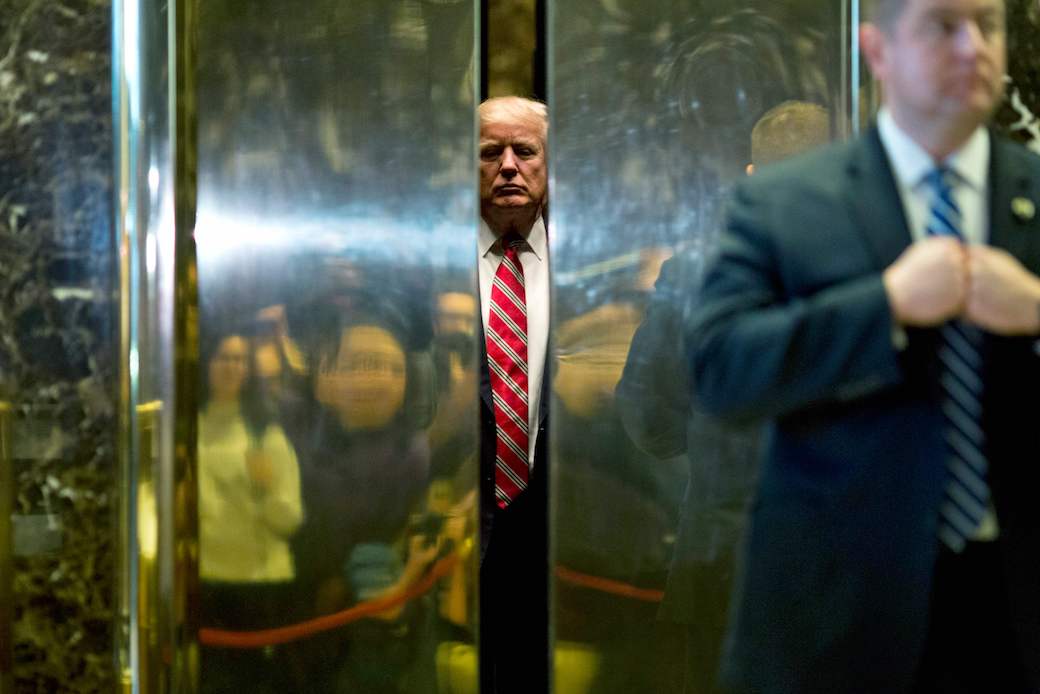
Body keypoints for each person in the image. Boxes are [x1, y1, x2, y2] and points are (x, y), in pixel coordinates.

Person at [688, 0, 1040, 691]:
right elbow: (719, 369)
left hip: (1018, 613)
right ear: (877, 51)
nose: (973, 47)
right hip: (837, 613)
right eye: (943, 25)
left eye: (989, 26)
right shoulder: (789, 202)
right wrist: (885, 307)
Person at [617, 100, 830, 694]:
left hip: (721, 552)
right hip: (842, 556)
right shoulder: (882, 270)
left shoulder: (694, 273)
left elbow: (644, 411)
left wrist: (715, 452)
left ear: (753, 175)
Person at [476, 95, 551, 694]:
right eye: (488, 153)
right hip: (454, 523)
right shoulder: (428, 264)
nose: (507, 166)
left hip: (561, 529)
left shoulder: (592, 263)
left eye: (523, 150)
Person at [197, 328, 304, 694]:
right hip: (205, 579)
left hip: (258, 584)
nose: (231, 367)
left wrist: (266, 489)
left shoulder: (264, 432)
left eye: (240, 359)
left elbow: (290, 518)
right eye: (223, 357)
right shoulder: (185, 426)